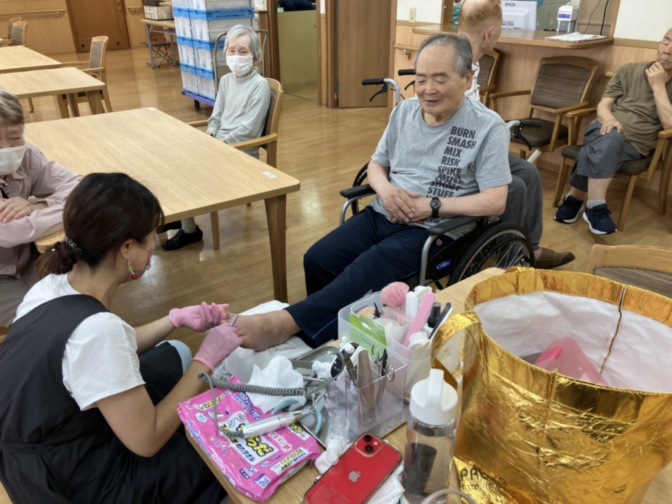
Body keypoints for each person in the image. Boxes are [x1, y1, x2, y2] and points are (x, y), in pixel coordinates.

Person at [235, 33, 511, 350]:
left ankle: (284, 324)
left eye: (440, 79)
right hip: (383, 212)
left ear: (467, 79)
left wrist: (432, 206)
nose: (428, 89)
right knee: (318, 258)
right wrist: (387, 191)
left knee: (363, 270)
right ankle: (327, 337)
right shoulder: (404, 112)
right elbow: (376, 164)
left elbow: (496, 201)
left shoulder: (488, 127)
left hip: (433, 229)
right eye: (421, 79)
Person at [0, 172, 241, 503]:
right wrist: (206, 361)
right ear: (127, 248)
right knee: (222, 445)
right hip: (70, 481)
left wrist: (174, 319)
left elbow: (99, 354)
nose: (153, 247)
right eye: (150, 238)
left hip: (41, 446)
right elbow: (148, 440)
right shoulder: (98, 330)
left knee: (173, 353)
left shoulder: (50, 287)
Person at [458, 0, 575, 268]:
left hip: (476, 148)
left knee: (528, 172)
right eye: (500, 29)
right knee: (515, 187)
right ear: (489, 33)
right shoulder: (456, 63)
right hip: (459, 154)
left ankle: (530, 249)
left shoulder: (472, 60)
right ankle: (509, 256)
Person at [162, 24, 271, 251]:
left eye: (243, 51)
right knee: (171, 156)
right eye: (232, 50)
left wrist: (221, 143)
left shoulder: (259, 86)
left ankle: (189, 229)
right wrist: (210, 134)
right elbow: (217, 115)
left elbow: (250, 129)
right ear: (225, 53)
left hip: (241, 152)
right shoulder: (226, 80)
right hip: (219, 146)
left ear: (256, 57)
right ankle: (181, 215)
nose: (236, 56)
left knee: (185, 167)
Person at [554, 28, 672, 234]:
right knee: (611, 137)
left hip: (636, 143)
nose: (668, 50)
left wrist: (659, 86)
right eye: (666, 42)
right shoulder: (628, 70)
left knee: (599, 148)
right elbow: (603, 105)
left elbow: (669, 124)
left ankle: (574, 198)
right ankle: (595, 207)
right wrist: (609, 120)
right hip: (603, 127)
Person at [0, 88, 82, 328]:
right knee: (47, 323)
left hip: (26, 261)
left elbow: (79, 185)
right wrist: (62, 208)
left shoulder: (27, 156)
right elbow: (12, 231)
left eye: (14, 136)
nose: (6, 147)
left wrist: (40, 206)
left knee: (82, 298)